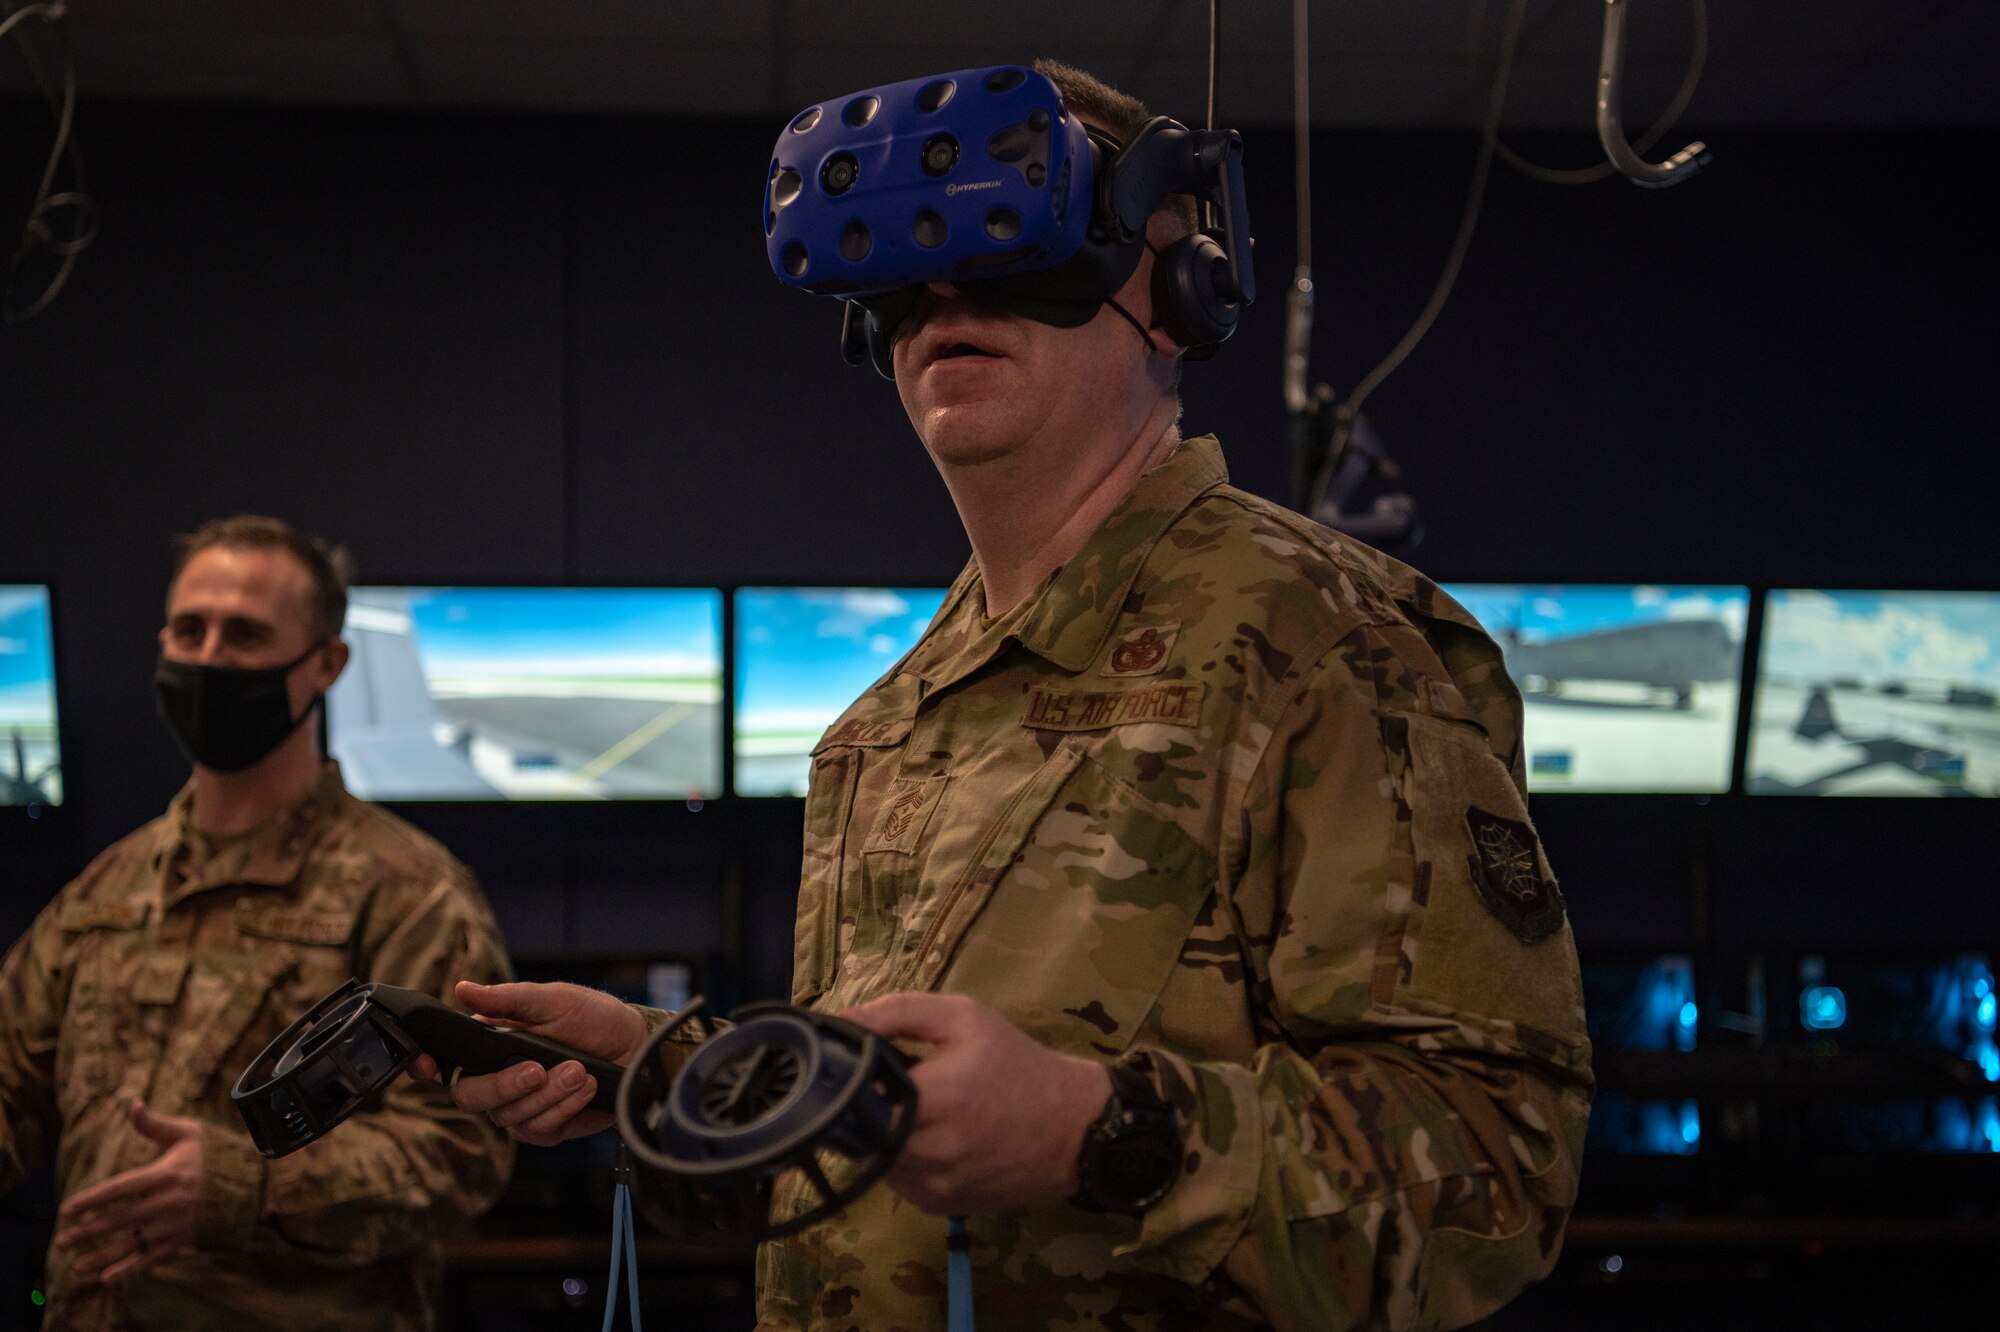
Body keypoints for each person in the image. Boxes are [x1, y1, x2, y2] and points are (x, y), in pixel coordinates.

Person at [434, 62, 1592, 1331]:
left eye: (1011, 243)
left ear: (1175, 287)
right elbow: (898, 1113)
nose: (943, 302)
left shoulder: (1325, 641)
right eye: (900, 267)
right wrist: (664, 1067)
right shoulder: (893, 714)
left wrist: (1097, 1133)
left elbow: (1496, 1168)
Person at [0, 515, 515, 1331]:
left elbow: (463, 1156)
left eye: (243, 635)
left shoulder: (410, 894)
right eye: (189, 629)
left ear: (326, 665)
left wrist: (250, 1186)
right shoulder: (106, 889)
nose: (207, 659)